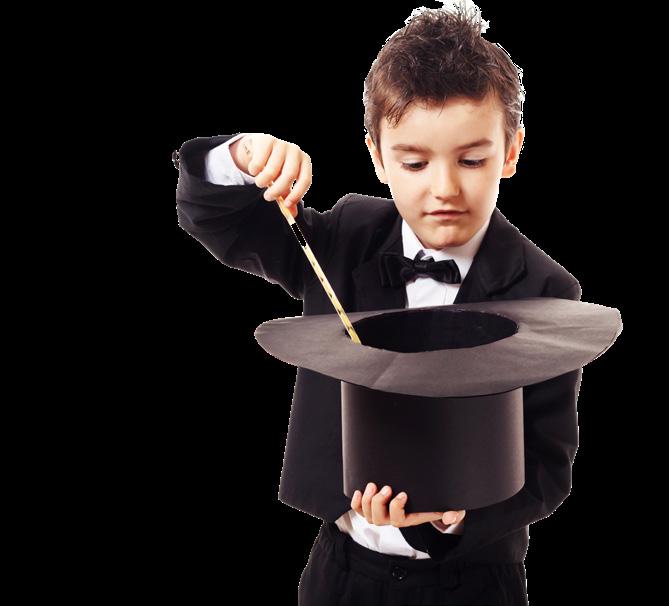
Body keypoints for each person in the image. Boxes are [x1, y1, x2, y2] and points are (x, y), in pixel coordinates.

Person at [174, 2, 581, 604]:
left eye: (472, 160)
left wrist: (453, 517)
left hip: (474, 584)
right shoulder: (345, 237)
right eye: (414, 162)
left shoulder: (548, 289)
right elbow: (221, 225)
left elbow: (548, 466)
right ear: (378, 157)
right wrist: (239, 158)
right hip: (340, 575)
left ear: (511, 150)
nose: (444, 188)